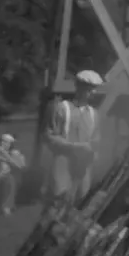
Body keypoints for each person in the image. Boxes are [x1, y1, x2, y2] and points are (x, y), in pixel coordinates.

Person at [45, 70, 102, 206]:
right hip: (63, 162)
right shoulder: (62, 108)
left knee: (81, 202)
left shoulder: (93, 114)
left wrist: (92, 150)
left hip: (84, 166)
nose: (93, 93)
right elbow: (50, 136)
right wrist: (74, 147)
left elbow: (96, 139)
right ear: (79, 87)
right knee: (59, 201)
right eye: (90, 89)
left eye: (94, 89)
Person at [0, 134, 27, 216]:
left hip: (4, 176)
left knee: (10, 181)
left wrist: (4, 155)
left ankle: (6, 206)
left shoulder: (14, 153)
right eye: (1, 141)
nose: (2, 143)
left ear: (11, 144)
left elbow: (20, 166)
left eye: (6, 142)